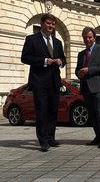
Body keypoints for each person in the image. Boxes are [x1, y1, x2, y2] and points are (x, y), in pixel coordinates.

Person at [21, 14, 66, 152]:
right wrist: (43, 61)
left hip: (54, 81)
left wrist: (60, 62)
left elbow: (64, 59)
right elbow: (25, 58)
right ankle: (43, 140)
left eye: (53, 24)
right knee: (42, 111)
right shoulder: (32, 39)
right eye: (48, 23)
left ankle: (51, 137)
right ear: (42, 23)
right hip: (39, 81)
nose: (51, 26)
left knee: (53, 110)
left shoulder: (57, 42)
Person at [75, 27, 100, 148]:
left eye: (90, 37)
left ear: (94, 38)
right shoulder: (81, 54)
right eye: (85, 37)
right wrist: (78, 73)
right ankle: (98, 136)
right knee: (92, 114)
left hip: (98, 86)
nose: (87, 39)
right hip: (85, 87)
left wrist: (89, 70)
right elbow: (77, 69)